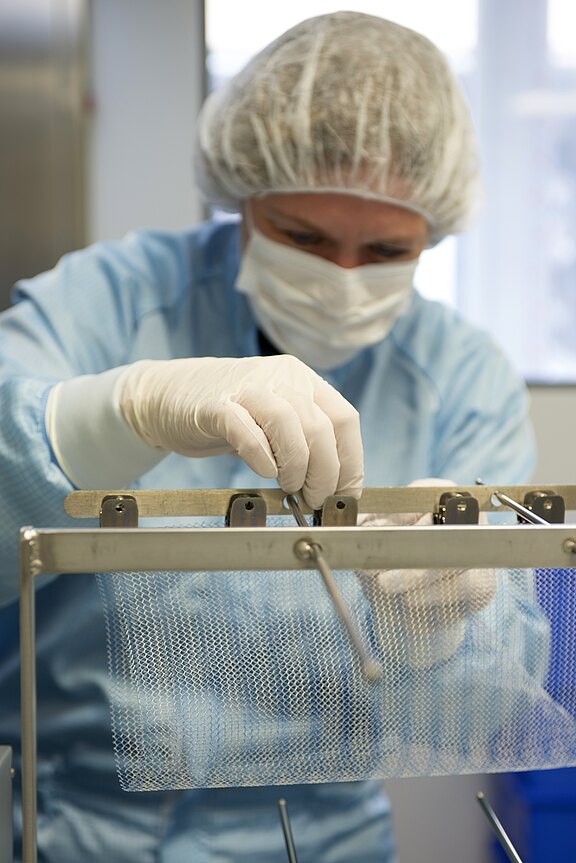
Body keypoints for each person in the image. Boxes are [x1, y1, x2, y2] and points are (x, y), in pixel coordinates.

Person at [0, 11, 540, 863]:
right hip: (75, 827)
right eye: (305, 236)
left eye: (389, 248)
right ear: (243, 192)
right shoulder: (107, 302)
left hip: (327, 838)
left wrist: (439, 626)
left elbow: (485, 711)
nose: (342, 278)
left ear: (434, 234)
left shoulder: (460, 375)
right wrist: (120, 413)